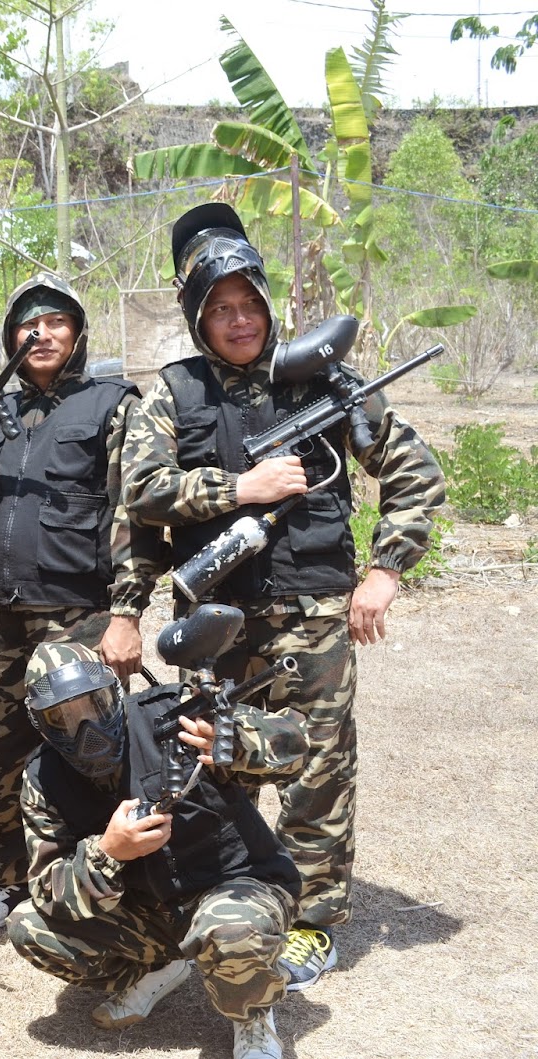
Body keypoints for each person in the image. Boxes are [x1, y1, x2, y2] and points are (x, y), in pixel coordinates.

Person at [121, 203, 446, 990]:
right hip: (214, 624)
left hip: (314, 615)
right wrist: (240, 487)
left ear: (269, 303)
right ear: (198, 318)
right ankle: (226, 903)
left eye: (249, 303)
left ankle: (311, 920)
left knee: (317, 769)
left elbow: (415, 472)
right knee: (212, 762)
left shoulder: (320, 380)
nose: (239, 320)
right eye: (220, 308)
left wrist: (385, 572)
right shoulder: (174, 392)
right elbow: (141, 488)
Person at [0, 273, 164, 937]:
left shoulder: (112, 405)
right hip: (3, 615)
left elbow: (134, 513)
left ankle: (107, 872)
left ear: (78, 333)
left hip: (82, 616)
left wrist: (126, 614)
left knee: (93, 750)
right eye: (27, 324)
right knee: (3, 752)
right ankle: (4, 877)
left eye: (56, 321)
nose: (40, 334)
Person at [8, 640, 305, 1059]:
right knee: (28, 926)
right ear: (41, 724)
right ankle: (160, 969)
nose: (87, 732)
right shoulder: (43, 778)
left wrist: (237, 741)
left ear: (115, 693)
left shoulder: (175, 713)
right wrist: (107, 852)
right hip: (149, 912)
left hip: (237, 887)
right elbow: (48, 890)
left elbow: (295, 744)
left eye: (94, 705)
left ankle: (252, 1015)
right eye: (64, 719)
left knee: (230, 931)